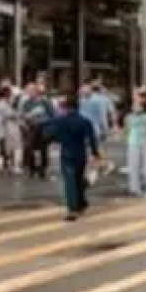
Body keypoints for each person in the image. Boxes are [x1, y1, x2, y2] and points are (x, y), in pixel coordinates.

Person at [43, 93, 102, 221]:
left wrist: (54, 139)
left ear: (65, 107)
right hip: (81, 153)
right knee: (78, 180)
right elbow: (92, 139)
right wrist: (95, 154)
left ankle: (73, 210)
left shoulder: (59, 120)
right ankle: (81, 203)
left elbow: (47, 133)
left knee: (70, 182)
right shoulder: (85, 121)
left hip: (67, 154)